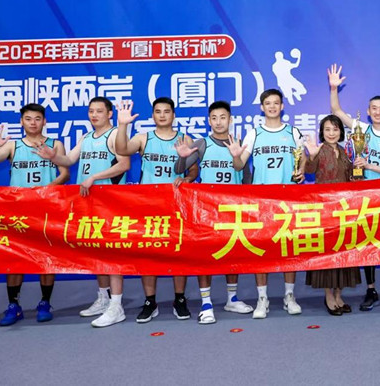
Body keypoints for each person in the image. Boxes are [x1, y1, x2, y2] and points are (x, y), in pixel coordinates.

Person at [37, 96, 131, 327]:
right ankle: (103, 298)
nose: (94, 115)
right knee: (97, 251)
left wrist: (94, 177)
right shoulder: (87, 137)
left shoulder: (114, 136)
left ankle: (116, 305)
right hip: (88, 202)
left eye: (99, 111)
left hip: (110, 202)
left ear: (109, 114)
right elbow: (69, 159)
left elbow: (124, 164)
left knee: (112, 253)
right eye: (91, 111)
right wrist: (53, 156)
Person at [328, 64, 380, 312]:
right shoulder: (361, 130)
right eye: (374, 108)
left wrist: (370, 165)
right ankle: (371, 289)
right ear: (369, 111)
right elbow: (336, 111)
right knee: (367, 242)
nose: (378, 112)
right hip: (364, 197)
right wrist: (333, 88)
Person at [0, 104, 70, 325]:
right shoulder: (13, 145)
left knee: (46, 257)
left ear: (44, 121)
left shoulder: (55, 144)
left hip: (46, 209)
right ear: (21, 121)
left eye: (37, 118)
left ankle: (45, 302)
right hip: (18, 211)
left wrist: (45, 190)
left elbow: (65, 174)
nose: (33, 122)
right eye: (28, 118)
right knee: (16, 258)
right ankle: (13, 305)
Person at [173, 100, 255, 323]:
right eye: (214, 118)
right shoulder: (202, 144)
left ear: (230, 120)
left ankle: (232, 298)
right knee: (205, 256)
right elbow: (179, 169)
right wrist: (182, 156)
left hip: (232, 208)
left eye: (223, 117)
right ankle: (206, 303)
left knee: (232, 253)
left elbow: (246, 177)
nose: (219, 122)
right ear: (209, 121)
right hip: (207, 209)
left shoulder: (238, 144)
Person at [114, 98, 195, 323]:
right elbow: (121, 149)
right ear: (152, 115)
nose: (162, 115)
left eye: (166, 111)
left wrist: (186, 178)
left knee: (178, 252)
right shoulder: (143, 138)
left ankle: (179, 298)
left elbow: (193, 169)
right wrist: (122, 125)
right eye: (158, 111)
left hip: (176, 204)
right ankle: (150, 301)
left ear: (173, 115)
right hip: (148, 205)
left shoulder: (184, 138)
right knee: (148, 252)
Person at [230, 89, 306, 319]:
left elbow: (302, 157)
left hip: (288, 199)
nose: (272, 106)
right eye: (268, 103)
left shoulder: (293, 132)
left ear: (282, 106)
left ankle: (289, 296)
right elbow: (239, 165)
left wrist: (301, 170)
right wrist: (235, 155)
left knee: (289, 248)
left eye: (276, 103)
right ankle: (262, 298)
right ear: (262, 107)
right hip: (261, 200)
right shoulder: (254, 133)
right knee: (261, 249)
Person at [303, 115, 362, 315]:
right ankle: (328, 295)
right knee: (328, 252)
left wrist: (358, 171)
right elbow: (309, 171)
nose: (331, 133)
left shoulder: (346, 152)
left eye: (335, 129)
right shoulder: (319, 150)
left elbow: (351, 178)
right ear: (322, 132)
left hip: (344, 209)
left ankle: (339, 294)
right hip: (325, 210)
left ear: (341, 132)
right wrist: (311, 156)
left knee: (344, 251)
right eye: (327, 129)